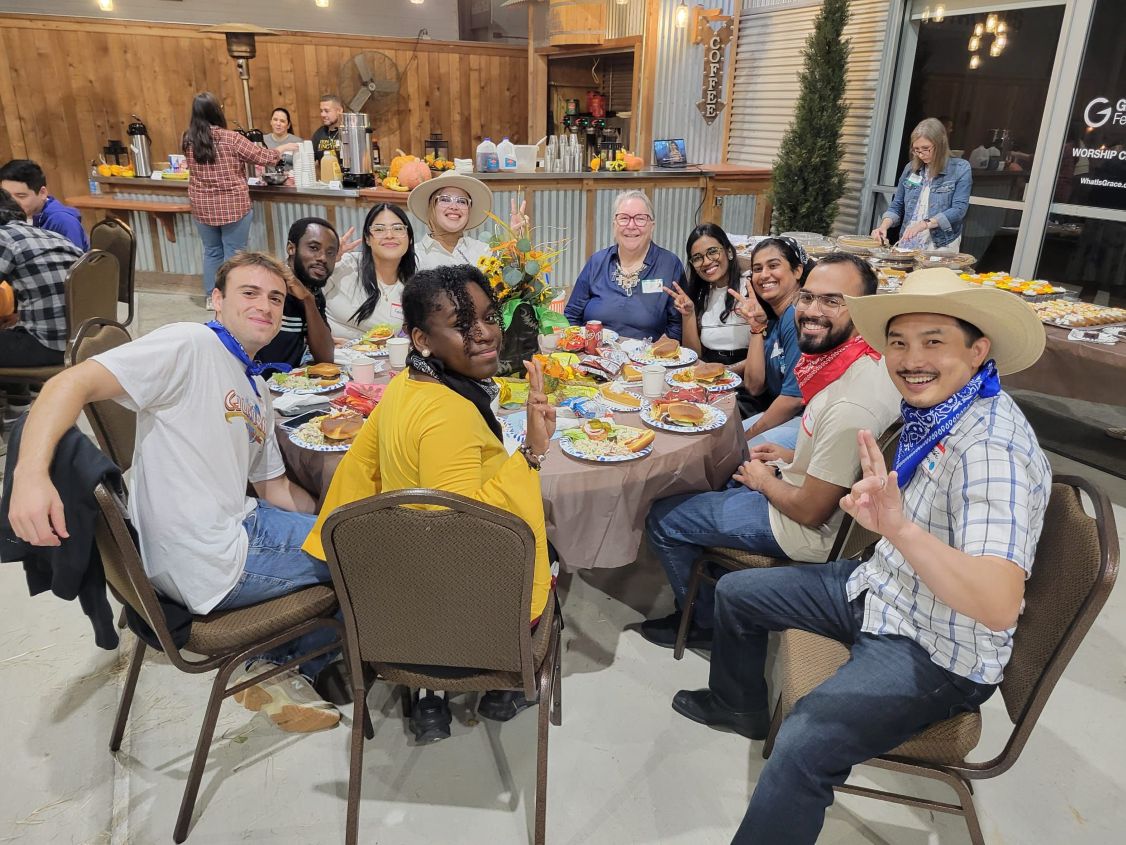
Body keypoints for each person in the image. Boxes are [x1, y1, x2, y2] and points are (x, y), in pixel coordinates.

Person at [671, 267, 1050, 845]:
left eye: (933, 341)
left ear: (978, 350)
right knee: (737, 593)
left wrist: (897, 530)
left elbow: (999, 605)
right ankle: (737, 704)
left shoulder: (992, 450)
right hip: (881, 587)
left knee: (802, 745)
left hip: (938, 647)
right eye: (898, 342)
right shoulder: (944, 408)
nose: (910, 358)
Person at [8, 252, 345, 732]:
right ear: (217, 300)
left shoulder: (255, 387)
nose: (265, 307)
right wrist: (30, 475)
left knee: (348, 535)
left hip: (235, 525)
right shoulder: (190, 344)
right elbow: (71, 382)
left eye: (274, 298)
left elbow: (273, 487)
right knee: (365, 559)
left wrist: (339, 515)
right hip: (207, 557)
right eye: (249, 293)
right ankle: (296, 662)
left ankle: (283, 660)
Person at [304, 265, 554, 742]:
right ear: (421, 339)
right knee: (555, 557)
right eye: (461, 325)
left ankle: (429, 699)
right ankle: (509, 681)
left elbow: (358, 475)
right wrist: (532, 454)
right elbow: (469, 537)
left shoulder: (403, 386)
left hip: (397, 603)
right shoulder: (452, 415)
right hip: (462, 610)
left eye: (487, 316)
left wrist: (347, 561)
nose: (484, 334)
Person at [640, 253, 900, 649]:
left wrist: (763, 482)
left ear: (866, 311)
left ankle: (704, 622)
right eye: (809, 298)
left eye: (833, 301)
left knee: (661, 516)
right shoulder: (861, 362)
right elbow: (839, 462)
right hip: (808, 488)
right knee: (722, 473)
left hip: (805, 527)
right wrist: (790, 458)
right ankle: (722, 586)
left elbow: (811, 512)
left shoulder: (850, 405)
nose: (812, 312)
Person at [183, 92, 300, 298]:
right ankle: (232, 296)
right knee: (235, 254)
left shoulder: (188, 139)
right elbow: (263, 157)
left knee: (211, 251)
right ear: (216, 112)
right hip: (233, 206)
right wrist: (282, 148)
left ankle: (213, 296)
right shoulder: (231, 138)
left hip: (203, 207)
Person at [0, 188, 84, 420]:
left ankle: (15, 417)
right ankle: (17, 411)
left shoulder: (3, 238)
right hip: (83, 338)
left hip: (48, 345)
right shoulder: (49, 235)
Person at [564, 190, 685, 341]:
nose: (631, 225)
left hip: (646, 360)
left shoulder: (669, 265)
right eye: (624, 218)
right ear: (614, 224)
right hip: (594, 357)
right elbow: (572, 315)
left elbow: (677, 325)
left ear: (651, 225)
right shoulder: (597, 262)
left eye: (640, 219)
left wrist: (657, 357)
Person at [732, 236, 811, 449]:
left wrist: (747, 435)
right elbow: (754, 385)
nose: (764, 275)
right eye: (757, 269)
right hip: (786, 415)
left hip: (808, 422)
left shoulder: (797, 316)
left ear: (797, 271)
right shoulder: (777, 318)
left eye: (773, 265)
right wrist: (757, 328)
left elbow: (794, 400)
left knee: (734, 451)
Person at [872, 117, 972, 252]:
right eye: (916, 150)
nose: (921, 154)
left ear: (940, 144)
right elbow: (897, 205)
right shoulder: (910, 168)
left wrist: (924, 225)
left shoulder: (960, 168)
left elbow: (959, 210)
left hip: (941, 243)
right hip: (910, 238)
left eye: (926, 148)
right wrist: (883, 226)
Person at [322, 203, 416, 341]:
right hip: (328, 357)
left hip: (380, 359)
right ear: (367, 238)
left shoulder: (411, 285)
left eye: (398, 228)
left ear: (409, 238)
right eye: (379, 229)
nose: (389, 235)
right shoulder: (345, 265)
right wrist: (325, 260)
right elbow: (302, 294)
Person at [255, 218, 339, 369]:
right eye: (314, 248)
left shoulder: (313, 291)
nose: (323, 258)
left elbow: (325, 357)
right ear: (291, 248)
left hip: (288, 385)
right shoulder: (268, 286)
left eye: (330, 252)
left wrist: (308, 300)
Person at [407, 171, 527, 271]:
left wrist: (515, 244)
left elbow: (511, 288)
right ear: (432, 207)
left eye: (461, 201)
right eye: (445, 199)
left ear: (469, 211)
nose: (454, 206)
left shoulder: (486, 252)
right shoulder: (413, 257)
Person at [0, 159, 89, 250]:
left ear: (42, 193)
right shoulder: (9, 216)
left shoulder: (62, 220)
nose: (11, 202)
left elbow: (74, 260)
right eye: (6, 195)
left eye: (21, 196)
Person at [264, 107, 303, 172]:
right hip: (268, 180)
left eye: (282, 121)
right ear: (271, 122)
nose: (278, 124)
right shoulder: (262, 140)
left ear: (288, 125)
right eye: (275, 120)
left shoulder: (297, 142)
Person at [311, 94, 343, 163]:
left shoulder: (348, 132)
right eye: (321, 111)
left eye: (326, 111)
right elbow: (311, 160)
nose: (322, 115)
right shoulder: (319, 134)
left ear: (339, 111)